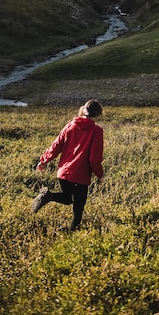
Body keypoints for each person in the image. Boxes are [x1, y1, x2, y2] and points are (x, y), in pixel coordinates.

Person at [32, 99, 104, 231]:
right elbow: (94, 159)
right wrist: (100, 175)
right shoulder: (96, 131)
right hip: (80, 175)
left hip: (63, 173)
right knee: (78, 207)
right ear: (98, 114)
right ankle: (73, 237)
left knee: (68, 198)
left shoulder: (70, 125)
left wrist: (43, 161)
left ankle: (49, 196)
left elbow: (55, 147)